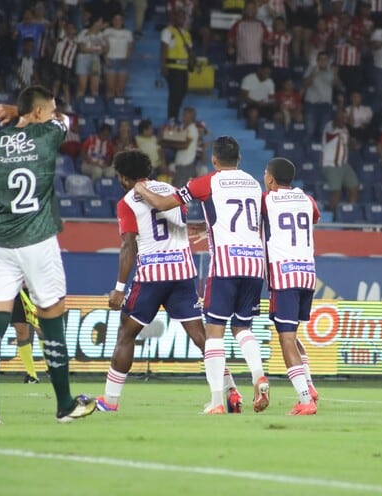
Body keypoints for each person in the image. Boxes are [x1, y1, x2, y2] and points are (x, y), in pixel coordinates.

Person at [0, 86, 97, 425]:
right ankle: (65, 404)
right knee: (52, 317)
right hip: (38, 240)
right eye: (51, 108)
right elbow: (64, 121)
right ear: (40, 114)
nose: (55, 113)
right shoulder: (47, 134)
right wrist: (19, 110)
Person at [99, 150, 242, 413]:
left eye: (120, 176)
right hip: (183, 274)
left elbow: (128, 246)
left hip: (151, 277)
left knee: (126, 334)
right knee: (202, 338)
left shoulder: (127, 201)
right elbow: (178, 223)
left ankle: (110, 400)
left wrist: (119, 289)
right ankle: (231, 391)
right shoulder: (172, 190)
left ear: (126, 177)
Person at [134, 136, 269, 415]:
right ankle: (259, 376)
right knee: (243, 328)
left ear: (214, 160)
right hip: (255, 263)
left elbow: (161, 204)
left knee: (214, 334)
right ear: (240, 159)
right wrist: (205, 229)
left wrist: (141, 188)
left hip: (226, 263)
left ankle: (217, 401)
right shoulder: (254, 183)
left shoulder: (206, 182)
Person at [262, 157, 321, 415]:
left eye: (265, 173)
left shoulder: (266, 200)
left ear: (270, 179)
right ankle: (308, 384)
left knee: (286, 338)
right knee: (292, 334)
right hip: (307, 272)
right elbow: (315, 218)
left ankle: (305, 399)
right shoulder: (307, 200)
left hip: (284, 274)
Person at [321, 110, 360, 213]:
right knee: (336, 192)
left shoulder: (345, 129)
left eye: (345, 117)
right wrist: (340, 104)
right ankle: (333, 216)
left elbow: (348, 143)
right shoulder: (330, 126)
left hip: (344, 164)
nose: (344, 119)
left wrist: (353, 144)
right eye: (342, 117)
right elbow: (335, 123)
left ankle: (350, 213)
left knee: (354, 187)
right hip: (331, 165)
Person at [161, 8, 194, 123]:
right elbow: (163, 48)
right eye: (179, 16)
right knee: (174, 93)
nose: (182, 19)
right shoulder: (168, 31)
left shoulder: (186, 33)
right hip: (173, 67)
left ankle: (175, 114)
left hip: (183, 67)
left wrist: (191, 60)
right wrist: (164, 65)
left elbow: (189, 49)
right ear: (174, 17)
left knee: (182, 91)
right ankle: (172, 117)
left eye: (183, 17)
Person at [12, 287, 43, 384]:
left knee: (42, 329)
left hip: (36, 289)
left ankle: (51, 369)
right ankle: (31, 375)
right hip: (17, 292)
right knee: (21, 331)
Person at [103, 13, 134, 98]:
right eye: (115, 19)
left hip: (122, 61)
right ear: (112, 21)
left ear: (122, 21)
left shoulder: (127, 33)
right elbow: (104, 45)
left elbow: (130, 47)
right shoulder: (107, 31)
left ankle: (118, 109)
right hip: (110, 60)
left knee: (120, 89)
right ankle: (109, 108)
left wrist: (127, 57)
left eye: (119, 19)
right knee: (110, 88)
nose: (117, 22)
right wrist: (105, 57)